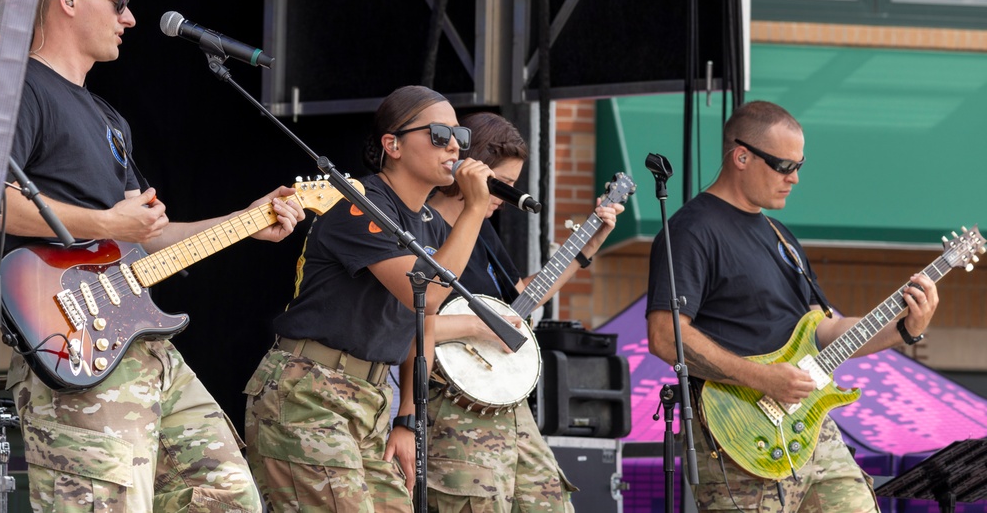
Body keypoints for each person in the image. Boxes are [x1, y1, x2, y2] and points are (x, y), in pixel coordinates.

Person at [4, 0, 307, 512]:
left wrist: (245, 221)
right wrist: (104, 218)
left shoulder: (109, 119)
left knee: (228, 497)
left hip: (142, 345)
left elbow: (144, 237)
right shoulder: (18, 90)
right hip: (72, 345)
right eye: (117, 2)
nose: (131, 17)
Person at [645, 100, 939, 512]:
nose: (795, 178)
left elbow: (823, 331)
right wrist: (761, 378)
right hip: (741, 435)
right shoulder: (691, 231)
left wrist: (905, 328)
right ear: (741, 156)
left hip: (811, 428)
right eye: (784, 166)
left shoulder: (779, 235)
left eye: (800, 165)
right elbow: (664, 336)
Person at [244, 85, 496, 512]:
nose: (454, 145)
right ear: (392, 144)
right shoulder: (357, 203)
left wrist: (407, 419)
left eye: (460, 137)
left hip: (373, 400)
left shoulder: (432, 225)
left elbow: (423, 326)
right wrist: (474, 209)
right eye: (439, 134)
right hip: (310, 392)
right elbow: (429, 295)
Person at [399, 111, 623, 512]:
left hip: (509, 408)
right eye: (503, 185)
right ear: (474, 169)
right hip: (450, 407)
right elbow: (404, 323)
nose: (504, 198)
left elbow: (516, 299)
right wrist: (477, 325)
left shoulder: (482, 230)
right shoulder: (418, 228)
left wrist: (586, 247)